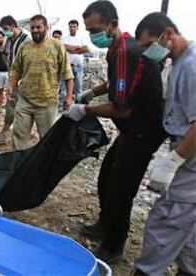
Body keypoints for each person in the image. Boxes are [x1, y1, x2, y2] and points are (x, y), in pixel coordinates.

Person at [65, 0, 166, 262]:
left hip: (143, 131)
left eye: (95, 29)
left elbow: (122, 109)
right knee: (108, 175)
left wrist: (85, 110)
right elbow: (116, 83)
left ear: (113, 25)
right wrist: (91, 93)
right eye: (89, 30)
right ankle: (105, 224)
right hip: (133, 129)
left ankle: (113, 246)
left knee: (121, 188)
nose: (92, 35)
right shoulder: (117, 48)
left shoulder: (125, 50)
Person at [133, 13, 196, 276]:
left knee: (167, 220)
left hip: (189, 156)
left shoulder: (192, 67)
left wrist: (172, 162)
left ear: (167, 35)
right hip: (185, 150)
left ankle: (147, 272)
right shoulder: (179, 63)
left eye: (149, 45)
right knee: (189, 226)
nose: (147, 53)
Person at [9, 14, 74, 150]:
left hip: (47, 102)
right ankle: (18, 166)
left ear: (46, 28)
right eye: (32, 28)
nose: (35, 30)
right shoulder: (24, 46)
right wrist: (10, 88)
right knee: (18, 136)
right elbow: (15, 70)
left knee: (47, 141)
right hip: (25, 100)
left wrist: (68, 97)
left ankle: (44, 169)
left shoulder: (57, 46)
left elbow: (67, 74)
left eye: (39, 27)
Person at [0, 15, 31, 145]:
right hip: (13, 78)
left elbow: (28, 62)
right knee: (13, 105)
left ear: (14, 26)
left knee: (14, 106)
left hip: (23, 80)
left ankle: (5, 134)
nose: (5, 31)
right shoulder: (10, 40)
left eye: (6, 28)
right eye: (3, 29)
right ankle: (14, 133)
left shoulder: (26, 40)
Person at [60, 20, 88, 110]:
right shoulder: (64, 38)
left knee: (78, 89)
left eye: (74, 26)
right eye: (70, 26)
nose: (72, 28)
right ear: (68, 27)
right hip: (67, 66)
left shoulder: (81, 38)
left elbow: (85, 49)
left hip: (79, 66)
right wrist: (77, 49)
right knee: (64, 90)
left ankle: (77, 109)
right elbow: (63, 47)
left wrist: (69, 47)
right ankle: (63, 109)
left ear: (77, 27)